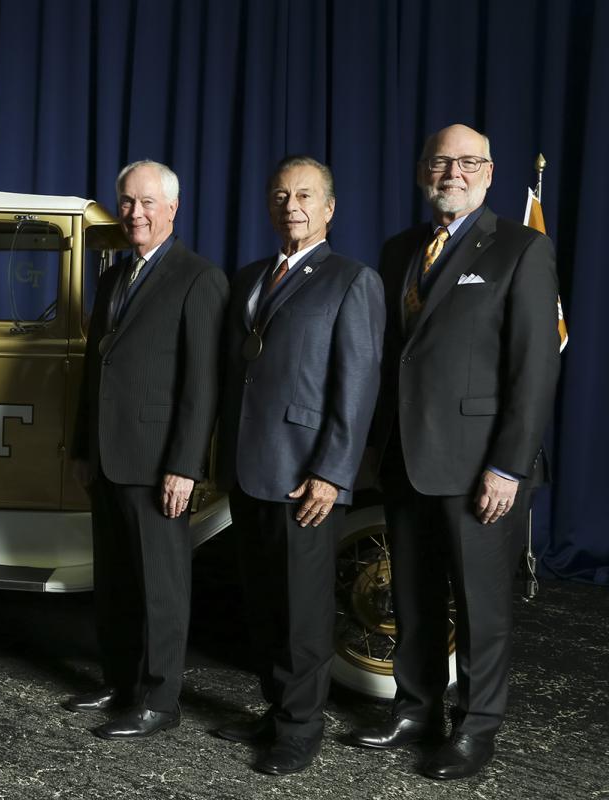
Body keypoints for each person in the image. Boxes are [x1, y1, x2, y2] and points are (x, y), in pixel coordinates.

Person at [350, 125, 561, 779]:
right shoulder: (398, 250)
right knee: (413, 596)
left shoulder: (521, 249)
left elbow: (533, 370)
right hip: (408, 457)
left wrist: (509, 465)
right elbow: (393, 360)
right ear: (422, 173)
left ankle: (475, 727)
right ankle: (415, 709)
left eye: (468, 162)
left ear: (491, 173)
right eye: (441, 161)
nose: (453, 172)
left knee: (479, 605)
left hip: (480, 467)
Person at [214, 156, 384, 773]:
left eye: (306, 195)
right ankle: (276, 707)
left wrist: (334, 473)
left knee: (303, 610)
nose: (293, 205)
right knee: (262, 601)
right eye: (282, 195)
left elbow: (357, 385)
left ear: (330, 209)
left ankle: (301, 728)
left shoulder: (351, 280)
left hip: (307, 475)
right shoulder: (250, 277)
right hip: (249, 468)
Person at [67, 160, 228, 739]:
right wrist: (83, 445)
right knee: (114, 580)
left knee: (161, 585)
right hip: (108, 458)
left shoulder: (199, 278)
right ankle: (121, 682)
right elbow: (96, 369)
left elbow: (201, 385)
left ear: (173, 209)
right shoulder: (114, 276)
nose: (135, 213)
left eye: (147, 203)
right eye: (127, 203)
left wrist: (184, 466)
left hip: (160, 462)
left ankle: (160, 701)